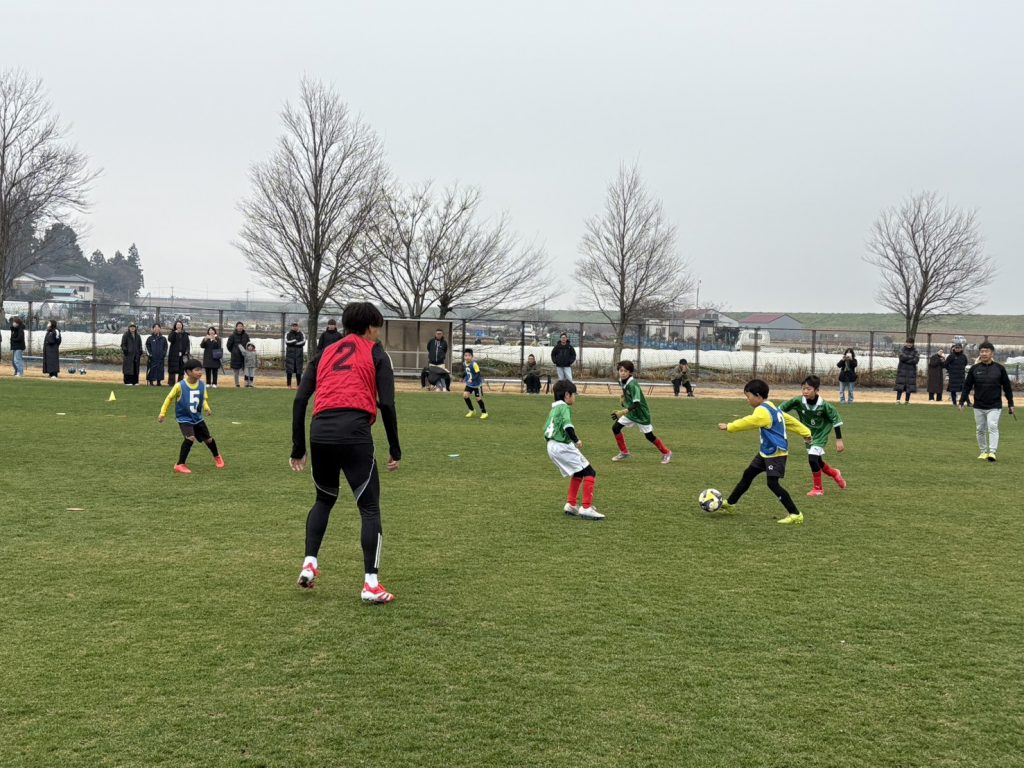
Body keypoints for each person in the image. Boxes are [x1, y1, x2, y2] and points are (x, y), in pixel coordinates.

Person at [291, 301, 402, 604]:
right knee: (369, 508)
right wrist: (395, 448)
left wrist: (298, 447)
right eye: (378, 328)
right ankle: (371, 584)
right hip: (353, 431)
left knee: (324, 499)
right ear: (370, 327)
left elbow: (300, 399)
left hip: (320, 431)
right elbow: (387, 403)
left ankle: (309, 563)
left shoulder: (324, 353)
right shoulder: (376, 352)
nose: (378, 334)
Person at [717, 379, 812, 525]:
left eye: (748, 397)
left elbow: (750, 421)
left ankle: (795, 514)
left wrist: (730, 426)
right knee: (748, 474)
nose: (748, 400)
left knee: (772, 483)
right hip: (766, 452)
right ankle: (730, 503)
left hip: (776, 453)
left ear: (757, 395)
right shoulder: (773, 408)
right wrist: (805, 432)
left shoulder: (762, 411)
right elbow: (790, 421)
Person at [779, 375, 847, 497]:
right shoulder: (798, 401)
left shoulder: (825, 406)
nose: (805, 391)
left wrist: (839, 440)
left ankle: (818, 489)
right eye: (803, 388)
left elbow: (836, 420)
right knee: (818, 462)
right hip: (808, 436)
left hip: (821, 435)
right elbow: (780, 410)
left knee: (812, 459)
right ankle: (834, 473)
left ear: (816, 390)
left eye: (808, 389)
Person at [545, 380, 603, 520]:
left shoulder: (554, 409)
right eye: (574, 394)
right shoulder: (564, 408)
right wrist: (576, 440)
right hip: (562, 446)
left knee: (579, 471)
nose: (575, 397)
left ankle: (571, 504)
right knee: (590, 472)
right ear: (567, 395)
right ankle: (586, 508)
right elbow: (567, 426)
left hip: (552, 445)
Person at [157, 358, 225, 474]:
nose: (200, 372)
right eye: (197, 370)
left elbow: (203, 399)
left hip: (198, 418)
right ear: (188, 372)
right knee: (190, 438)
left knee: (208, 439)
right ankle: (180, 464)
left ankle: (217, 456)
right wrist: (162, 413)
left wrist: (207, 408)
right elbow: (169, 398)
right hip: (184, 418)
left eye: (201, 370)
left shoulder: (202, 385)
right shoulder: (180, 385)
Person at [959, 341, 1015, 462]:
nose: (984, 353)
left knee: (992, 426)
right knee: (980, 429)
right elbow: (967, 386)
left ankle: (992, 452)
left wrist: (1011, 403)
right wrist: (962, 401)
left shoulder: (1000, 369)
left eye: (986, 351)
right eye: (982, 351)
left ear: (992, 353)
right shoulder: (974, 369)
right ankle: (983, 452)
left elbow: (1007, 387)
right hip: (978, 405)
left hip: (995, 405)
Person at [611, 360, 672, 464]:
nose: (623, 373)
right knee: (616, 428)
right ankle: (624, 452)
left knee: (649, 436)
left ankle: (667, 452)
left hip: (641, 414)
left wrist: (622, 412)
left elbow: (637, 404)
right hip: (631, 413)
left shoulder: (633, 385)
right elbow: (626, 391)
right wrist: (623, 397)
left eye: (625, 371)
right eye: (621, 370)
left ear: (630, 372)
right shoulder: (621, 380)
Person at [462, 348, 489, 419]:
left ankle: (484, 412)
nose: (467, 357)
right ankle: (472, 410)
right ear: (464, 356)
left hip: (477, 385)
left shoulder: (474, 364)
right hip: (469, 384)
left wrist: (472, 379)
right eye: (466, 355)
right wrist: (463, 377)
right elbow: (466, 371)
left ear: (472, 357)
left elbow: (478, 374)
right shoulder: (464, 363)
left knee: (478, 398)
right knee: (465, 395)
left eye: (469, 355)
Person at [894, 338, 919, 404]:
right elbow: (902, 357)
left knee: (909, 387)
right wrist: (911, 357)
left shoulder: (915, 351)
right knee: (900, 386)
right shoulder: (902, 349)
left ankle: (907, 401)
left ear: (912, 343)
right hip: (902, 371)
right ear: (906, 343)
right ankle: (898, 400)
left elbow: (916, 360)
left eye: (910, 343)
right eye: (908, 343)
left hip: (911, 371)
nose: (909, 344)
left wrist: (906, 359)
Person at [944, 341, 969, 407]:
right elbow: (945, 364)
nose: (957, 349)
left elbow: (965, 363)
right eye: (956, 348)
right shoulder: (951, 356)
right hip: (953, 376)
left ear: (961, 348)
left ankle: (966, 402)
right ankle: (954, 402)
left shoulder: (963, 356)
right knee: (953, 390)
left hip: (961, 376)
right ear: (954, 348)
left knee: (964, 390)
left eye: (958, 348)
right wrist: (951, 370)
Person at [226, 322, 250, 388]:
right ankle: (237, 384)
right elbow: (228, 346)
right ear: (236, 327)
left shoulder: (246, 335)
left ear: (243, 327)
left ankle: (246, 384)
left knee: (246, 371)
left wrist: (246, 352)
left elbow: (249, 345)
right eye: (239, 326)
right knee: (236, 372)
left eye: (241, 326)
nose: (240, 327)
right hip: (235, 357)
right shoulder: (232, 335)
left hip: (244, 356)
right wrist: (234, 351)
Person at [167, 320, 191, 386]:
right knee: (172, 369)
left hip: (182, 355)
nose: (179, 326)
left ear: (182, 326)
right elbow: (170, 339)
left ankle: (180, 384)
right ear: (175, 326)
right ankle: (171, 383)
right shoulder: (173, 333)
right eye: (177, 325)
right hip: (173, 355)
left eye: (180, 325)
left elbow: (188, 344)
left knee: (181, 370)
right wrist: (175, 333)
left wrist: (187, 352)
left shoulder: (185, 334)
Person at [285, 322, 305, 388]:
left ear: (298, 327)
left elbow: (303, 342)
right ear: (291, 327)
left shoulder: (301, 334)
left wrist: (294, 343)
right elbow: (287, 342)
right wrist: (295, 341)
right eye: (293, 326)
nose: (294, 327)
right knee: (289, 371)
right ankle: (289, 385)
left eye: (296, 326)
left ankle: (299, 385)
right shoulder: (287, 334)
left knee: (298, 371)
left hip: (299, 356)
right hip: (290, 356)